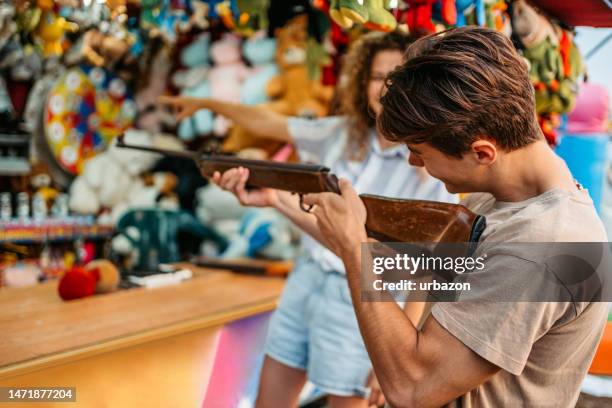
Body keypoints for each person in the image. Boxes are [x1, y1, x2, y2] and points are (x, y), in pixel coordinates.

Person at [300, 27, 610, 407]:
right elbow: (440, 272)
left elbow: (412, 389)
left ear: (482, 153)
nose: (413, 161)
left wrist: (353, 251)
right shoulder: (505, 199)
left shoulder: (540, 248)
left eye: (418, 151)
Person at [160, 31, 456, 407]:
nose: (386, 89)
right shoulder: (340, 133)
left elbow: (429, 272)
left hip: (365, 300)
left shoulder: (431, 168)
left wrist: (406, 355)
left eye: (396, 78)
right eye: (378, 77)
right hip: (307, 278)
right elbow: (267, 122)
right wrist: (209, 105)